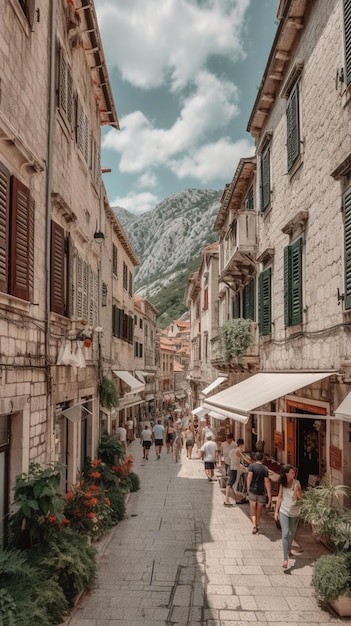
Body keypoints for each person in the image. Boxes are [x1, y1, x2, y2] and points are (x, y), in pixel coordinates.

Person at [274, 465, 302, 568]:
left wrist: (296, 492)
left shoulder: (297, 483)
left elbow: (300, 498)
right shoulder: (283, 483)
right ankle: (285, 559)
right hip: (284, 511)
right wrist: (276, 511)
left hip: (295, 511)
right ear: (286, 474)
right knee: (285, 533)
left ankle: (289, 548)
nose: (293, 474)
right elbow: (280, 497)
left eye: (293, 473)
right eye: (291, 473)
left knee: (292, 533)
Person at [246, 452, 272, 534]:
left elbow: (249, 477)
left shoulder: (251, 466)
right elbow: (267, 482)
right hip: (261, 491)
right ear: (262, 459)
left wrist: (248, 488)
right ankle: (257, 522)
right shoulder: (265, 469)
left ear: (256, 458)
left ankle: (254, 525)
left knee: (252, 507)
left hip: (252, 490)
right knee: (259, 508)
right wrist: (269, 494)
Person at [224, 439, 250, 506]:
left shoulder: (235, 450)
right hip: (234, 469)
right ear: (242, 444)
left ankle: (236, 499)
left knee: (232, 484)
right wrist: (251, 462)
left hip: (233, 468)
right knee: (230, 484)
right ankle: (226, 499)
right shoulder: (239, 450)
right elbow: (244, 458)